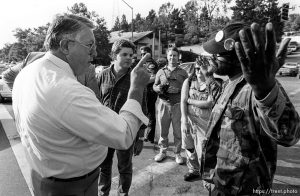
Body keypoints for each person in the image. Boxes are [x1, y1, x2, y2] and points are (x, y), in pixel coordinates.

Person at [12, 13, 150, 196]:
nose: (95, 53)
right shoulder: (67, 91)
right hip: (71, 187)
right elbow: (123, 134)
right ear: (66, 46)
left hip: (45, 176)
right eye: (90, 45)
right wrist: (137, 87)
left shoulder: (28, 72)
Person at [200, 22, 300, 195]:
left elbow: (289, 135)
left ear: (238, 55)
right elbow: (223, 106)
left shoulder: (256, 88)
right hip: (221, 183)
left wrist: (265, 90)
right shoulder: (229, 84)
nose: (213, 57)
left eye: (218, 54)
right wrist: (208, 77)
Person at [97, 39, 147, 196]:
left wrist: (140, 138)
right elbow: (95, 101)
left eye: (131, 55)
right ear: (114, 55)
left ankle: (122, 193)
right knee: (103, 166)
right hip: (104, 130)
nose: (128, 58)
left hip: (126, 129)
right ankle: (102, 192)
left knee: (125, 167)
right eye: (124, 54)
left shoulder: (135, 77)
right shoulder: (102, 75)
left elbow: (142, 107)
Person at [2, 52, 101, 100]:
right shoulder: (33, 58)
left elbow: (95, 100)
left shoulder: (87, 67)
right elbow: (7, 76)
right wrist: (23, 96)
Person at [180, 61, 220, 181]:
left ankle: (207, 173)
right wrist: (184, 119)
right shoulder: (188, 81)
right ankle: (194, 170)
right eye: (196, 68)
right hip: (189, 120)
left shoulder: (213, 83)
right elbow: (183, 101)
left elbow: (209, 102)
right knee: (189, 146)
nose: (198, 71)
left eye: (201, 68)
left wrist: (190, 101)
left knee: (204, 149)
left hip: (205, 123)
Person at [153, 47, 188, 164]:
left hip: (178, 105)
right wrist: (158, 89)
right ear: (167, 57)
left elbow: (188, 88)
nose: (172, 57)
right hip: (163, 104)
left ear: (178, 57)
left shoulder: (183, 73)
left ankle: (178, 153)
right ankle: (162, 151)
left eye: (175, 55)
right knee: (163, 131)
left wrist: (178, 90)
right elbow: (154, 85)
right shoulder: (160, 71)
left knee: (178, 132)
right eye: (170, 55)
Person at [140, 46, 159, 143]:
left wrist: (142, 81)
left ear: (149, 54)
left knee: (149, 113)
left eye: (144, 54)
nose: (142, 56)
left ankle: (149, 136)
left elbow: (155, 77)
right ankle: (147, 135)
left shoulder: (151, 64)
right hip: (144, 91)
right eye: (141, 54)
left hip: (150, 91)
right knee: (145, 112)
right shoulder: (143, 63)